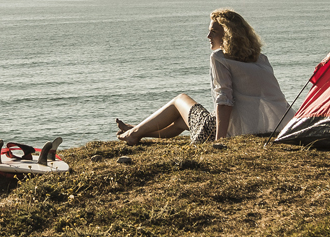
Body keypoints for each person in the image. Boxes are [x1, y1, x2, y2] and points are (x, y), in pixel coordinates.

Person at [115, 8, 290, 145]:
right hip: (268, 127)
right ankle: (137, 131)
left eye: (213, 32)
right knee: (181, 122)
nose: (208, 36)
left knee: (179, 100)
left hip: (221, 130)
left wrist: (220, 141)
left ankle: (134, 133)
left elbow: (224, 101)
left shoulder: (219, 58)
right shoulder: (261, 59)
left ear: (228, 36)